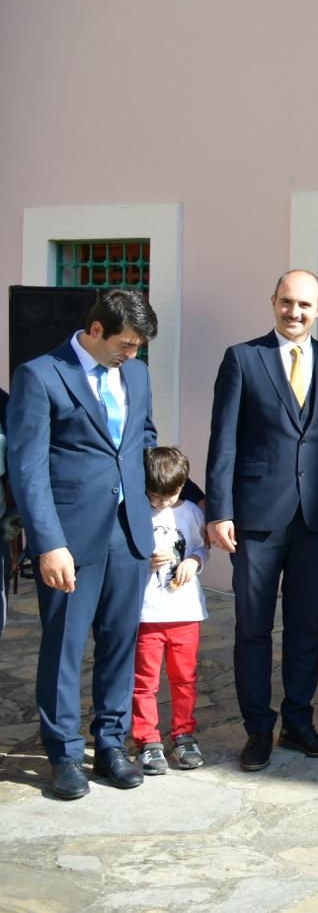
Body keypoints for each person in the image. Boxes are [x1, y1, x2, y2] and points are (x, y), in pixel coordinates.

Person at [206, 270, 318, 771]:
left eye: (304, 305)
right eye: (286, 303)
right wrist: (219, 511)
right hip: (256, 518)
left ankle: (298, 722)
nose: (294, 313)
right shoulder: (243, 358)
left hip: (317, 518)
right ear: (273, 302)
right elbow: (223, 440)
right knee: (253, 627)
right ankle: (257, 729)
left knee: (305, 626)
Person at [7, 290, 160, 799]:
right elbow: (27, 469)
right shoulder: (40, 374)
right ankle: (64, 752)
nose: (132, 355)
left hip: (129, 532)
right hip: (70, 539)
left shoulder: (135, 373)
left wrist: (165, 512)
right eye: (126, 344)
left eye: (139, 347)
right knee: (65, 647)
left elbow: (142, 437)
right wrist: (48, 543)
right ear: (95, 330)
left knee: (120, 643)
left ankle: (112, 744)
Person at [132, 446, 210, 775]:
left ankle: (183, 735)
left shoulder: (191, 512)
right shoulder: (136, 511)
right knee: (144, 681)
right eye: (155, 495)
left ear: (182, 486)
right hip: (148, 613)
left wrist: (193, 561)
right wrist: (143, 561)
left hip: (185, 612)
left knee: (184, 679)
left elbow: (201, 548)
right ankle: (147, 739)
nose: (162, 502)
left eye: (170, 495)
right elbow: (125, 553)